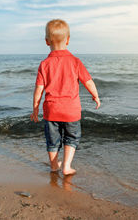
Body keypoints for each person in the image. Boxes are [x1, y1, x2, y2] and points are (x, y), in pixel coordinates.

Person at [30, 19, 100, 176]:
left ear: (47, 41)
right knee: (71, 138)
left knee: (52, 141)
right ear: (68, 40)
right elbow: (88, 82)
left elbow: (38, 89)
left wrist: (35, 107)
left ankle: (54, 166)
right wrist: (95, 96)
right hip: (71, 111)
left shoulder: (44, 64)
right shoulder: (75, 62)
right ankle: (67, 166)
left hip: (51, 110)